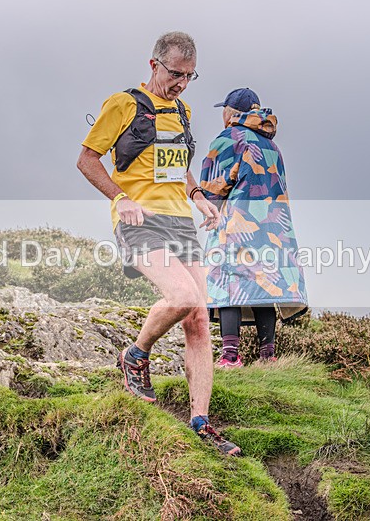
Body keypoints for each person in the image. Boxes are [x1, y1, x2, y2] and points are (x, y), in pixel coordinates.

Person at [76, 32, 240, 455]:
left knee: (199, 318)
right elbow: (87, 160)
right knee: (182, 297)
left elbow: (178, 167)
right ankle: (136, 353)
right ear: (154, 65)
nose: (181, 84)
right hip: (140, 220)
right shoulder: (123, 104)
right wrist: (121, 198)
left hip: (180, 222)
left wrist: (198, 196)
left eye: (189, 76)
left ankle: (201, 422)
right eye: (175, 74)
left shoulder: (183, 111)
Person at [199, 88, 308, 367]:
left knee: (229, 281)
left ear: (232, 112)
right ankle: (267, 355)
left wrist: (209, 206)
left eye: (224, 110)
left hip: (238, 221)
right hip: (273, 227)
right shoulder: (272, 146)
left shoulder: (230, 138)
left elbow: (214, 182)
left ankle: (230, 355)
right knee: (264, 283)